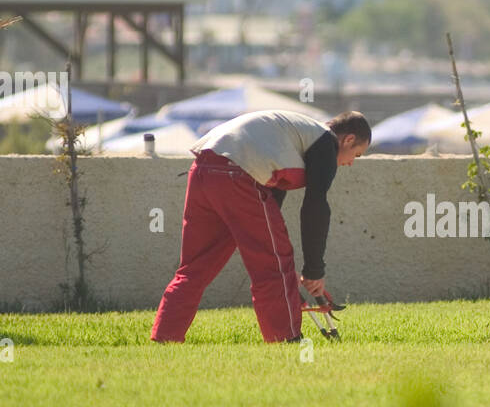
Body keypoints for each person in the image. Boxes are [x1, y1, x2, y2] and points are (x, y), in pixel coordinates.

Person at [150, 109, 370, 344]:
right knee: (273, 265)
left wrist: (284, 261)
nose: (350, 163)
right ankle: (285, 340)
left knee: (195, 266)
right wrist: (314, 271)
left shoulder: (298, 135)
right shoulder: (325, 141)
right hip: (236, 174)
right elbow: (315, 206)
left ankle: (165, 336)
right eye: (356, 154)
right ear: (347, 140)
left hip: (203, 170)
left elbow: (271, 199)